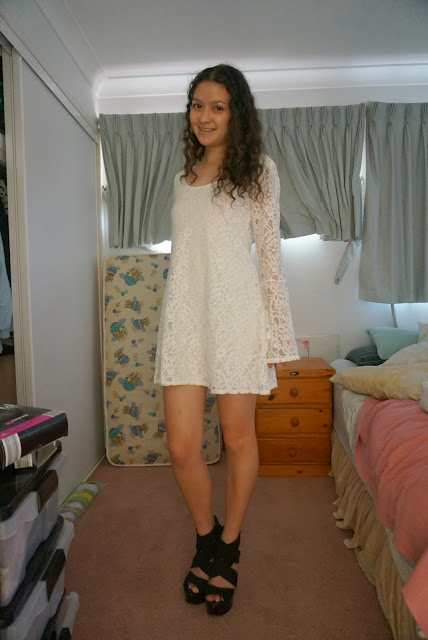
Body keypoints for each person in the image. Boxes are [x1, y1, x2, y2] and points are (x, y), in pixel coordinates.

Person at [154, 63, 299, 616]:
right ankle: (206, 536)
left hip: (238, 318)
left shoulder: (259, 170)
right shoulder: (182, 177)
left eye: (217, 106)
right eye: (197, 105)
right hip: (185, 320)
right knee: (182, 446)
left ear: (236, 113)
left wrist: (278, 341)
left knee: (237, 439)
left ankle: (230, 548)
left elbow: (271, 262)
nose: (205, 116)